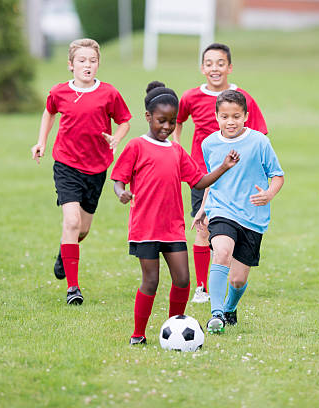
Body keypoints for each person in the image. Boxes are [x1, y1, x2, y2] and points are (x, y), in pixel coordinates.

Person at [111, 81, 239, 345]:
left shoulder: (177, 151)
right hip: (145, 228)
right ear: (148, 117)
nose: (167, 127)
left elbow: (199, 181)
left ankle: (175, 330)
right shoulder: (136, 146)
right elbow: (118, 180)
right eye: (161, 121)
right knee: (151, 281)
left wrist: (224, 167)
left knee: (182, 280)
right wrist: (121, 193)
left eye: (171, 122)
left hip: (173, 228)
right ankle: (138, 334)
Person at [31, 38, 131, 305]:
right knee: (72, 222)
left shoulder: (108, 93)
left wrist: (116, 138)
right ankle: (73, 289)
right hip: (66, 165)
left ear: (99, 64)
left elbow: (124, 121)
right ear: (70, 65)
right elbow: (48, 113)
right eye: (82, 61)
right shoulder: (59, 92)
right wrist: (42, 141)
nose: (88, 65)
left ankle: (65, 252)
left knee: (82, 230)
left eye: (93, 61)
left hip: (97, 168)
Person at [173, 43, 268, 304]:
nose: (215, 68)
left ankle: (225, 270)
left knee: (226, 235)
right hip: (202, 174)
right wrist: (178, 148)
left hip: (236, 178)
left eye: (220, 63)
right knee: (202, 228)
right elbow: (177, 121)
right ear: (202, 67)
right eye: (209, 63)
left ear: (229, 67)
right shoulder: (191, 97)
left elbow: (260, 134)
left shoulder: (243, 98)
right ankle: (202, 287)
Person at [193, 89, 284, 334]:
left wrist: (269, 194)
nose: (230, 122)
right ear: (216, 117)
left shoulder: (259, 142)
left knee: (238, 279)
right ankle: (216, 314)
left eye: (235, 116)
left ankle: (230, 307)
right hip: (221, 209)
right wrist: (202, 208)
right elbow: (211, 180)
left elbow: (277, 175)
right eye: (224, 116)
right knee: (221, 252)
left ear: (245, 116)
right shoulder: (209, 143)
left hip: (253, 215)